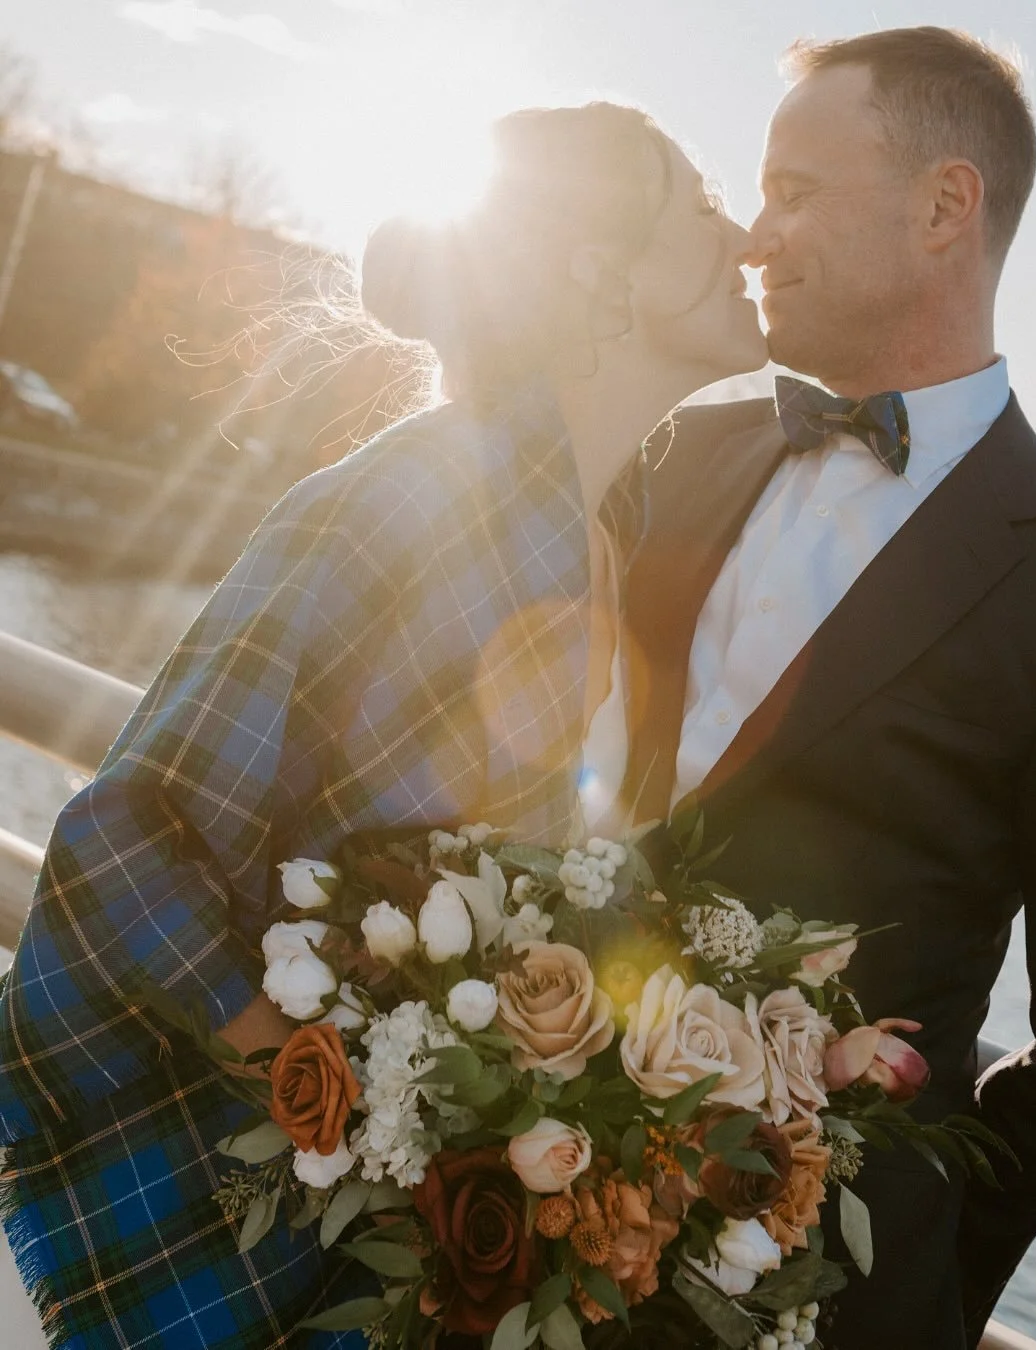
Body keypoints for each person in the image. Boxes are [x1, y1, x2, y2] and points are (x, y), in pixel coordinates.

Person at [0, 103, 766, 1348]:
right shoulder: (417, 491)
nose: (743, 239)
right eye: (703, 206)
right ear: (596, 268)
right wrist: (340, 1116)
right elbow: (128, 841)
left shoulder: (602, 547)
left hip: (401, 1277)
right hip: (247, 1244)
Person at [622, 26, 1036, 1349]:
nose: (757, 237)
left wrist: (911, 1254)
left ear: (945, 206)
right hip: (512, 1233)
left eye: (796, 191)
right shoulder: (686, 442)